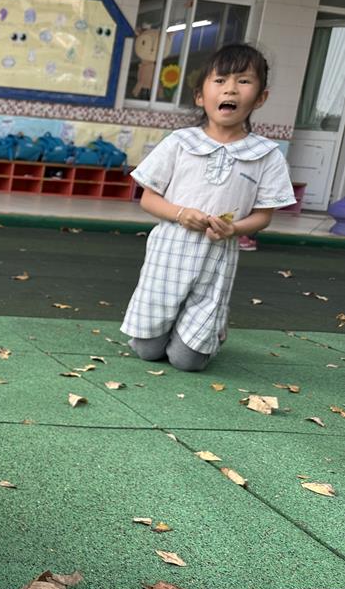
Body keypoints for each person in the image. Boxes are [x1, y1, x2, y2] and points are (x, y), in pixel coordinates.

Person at [121, 44, 296, 371]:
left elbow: (263, 216)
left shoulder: (266, 154)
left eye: (243, 81)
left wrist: (235, 229)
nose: (230, 88)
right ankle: (169, 330)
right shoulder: (179, 142)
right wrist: (180, 213)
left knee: (187, 361)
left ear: (261, 98)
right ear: (201, 96)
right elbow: (148, 198)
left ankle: (206, 331)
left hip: (216, 257)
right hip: (168, 252)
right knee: (147, 350)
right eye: (220, 80)